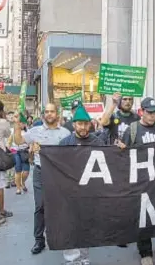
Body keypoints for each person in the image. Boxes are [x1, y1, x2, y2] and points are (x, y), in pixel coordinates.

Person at [12, 103, 70, 255]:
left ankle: (59, 236)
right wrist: (17, 126)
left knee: (59, 205)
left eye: (52, 111)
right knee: (40, 206)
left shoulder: (65, 133)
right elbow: (18, 142)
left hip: (58, 174)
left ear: (57, 114)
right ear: (44, 114)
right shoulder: (35, 131)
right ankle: (39, 240)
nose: (49, 114)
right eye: (47, 112)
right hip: (40, 172)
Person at [119, 97, 155, 265]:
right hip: (139, 180)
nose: (153, 115)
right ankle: (145, 251)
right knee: (144, 215)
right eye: (149, 112)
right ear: (141, 112)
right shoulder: (132, 130)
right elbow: (123, 155)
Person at [59, 103, 105, 265]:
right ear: (74, 125)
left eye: (86, 124)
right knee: (71, 226)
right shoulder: (65, 142)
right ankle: (72, 261)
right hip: (70, 193)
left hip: (89, 194)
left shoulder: (97, 142)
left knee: (85, 227)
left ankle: (84, 259)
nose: (83, 127)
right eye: (80, 124)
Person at [0, 101, 13, 218]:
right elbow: (7, 134)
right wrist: (4, 118)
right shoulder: (3, 122)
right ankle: (1, 210)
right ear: (1, 110)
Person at [8, 121, 30, 195]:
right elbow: (9, 143)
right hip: (16, 152)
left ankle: (22, 182)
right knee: (18, 170)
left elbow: (32, 142)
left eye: (23, 123)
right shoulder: (13, 131)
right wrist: (11, 150)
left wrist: (30, 149)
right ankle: (18, 188)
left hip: (25, 152)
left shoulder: (28, 132)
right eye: (20, 123)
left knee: (26, 171)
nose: (22, 124)